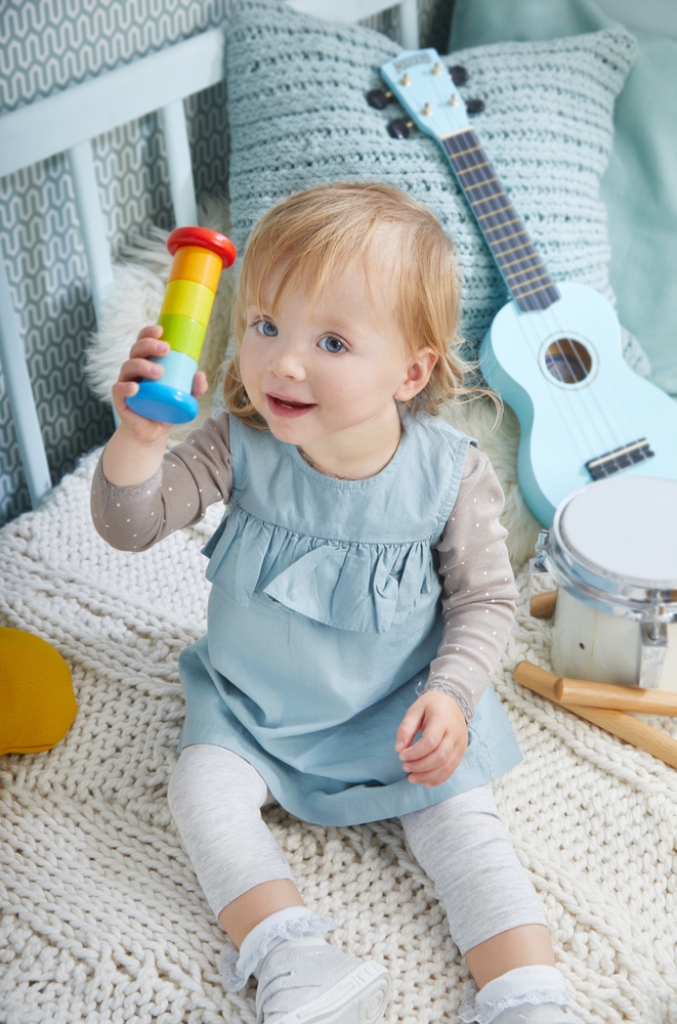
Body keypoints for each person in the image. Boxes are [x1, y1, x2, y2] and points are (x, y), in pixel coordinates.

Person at [91, 183, 584, 1024]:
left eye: (330, 341)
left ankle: (526, 994)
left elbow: (483, 602)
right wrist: (138, 441)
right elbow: (130, 526)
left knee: (467, 827)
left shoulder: (446, 472)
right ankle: (293, 951)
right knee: (200, 790)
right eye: (265, 325)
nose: (283, 362)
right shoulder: (235, 442)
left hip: (398, 710)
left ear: (413, 370)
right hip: (253, 710)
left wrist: (451, 696)